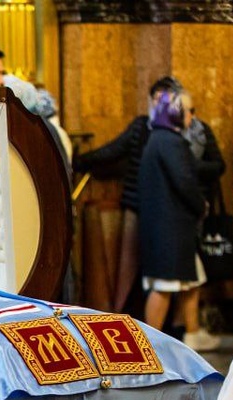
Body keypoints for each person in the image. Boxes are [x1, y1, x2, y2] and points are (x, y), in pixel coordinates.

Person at [72, 76, 182, 315]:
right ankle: (129, 315)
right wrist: (79, 162)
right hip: (138, 205)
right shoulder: (143, 126)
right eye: (158, 99)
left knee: (162, 273)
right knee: (132, 267)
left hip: (168, 211)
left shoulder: (182, 130)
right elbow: (114, 151)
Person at [137, 92, 219, 351]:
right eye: (188, 110)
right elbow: (185, 181)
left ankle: (193, 333)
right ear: (174, 112)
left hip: (168, 227)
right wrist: (200, 205)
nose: (192, 116)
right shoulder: (171, 142)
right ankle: (150, 343)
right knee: (164, 286)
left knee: (192, 280)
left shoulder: (158, 138)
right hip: (170, 229)